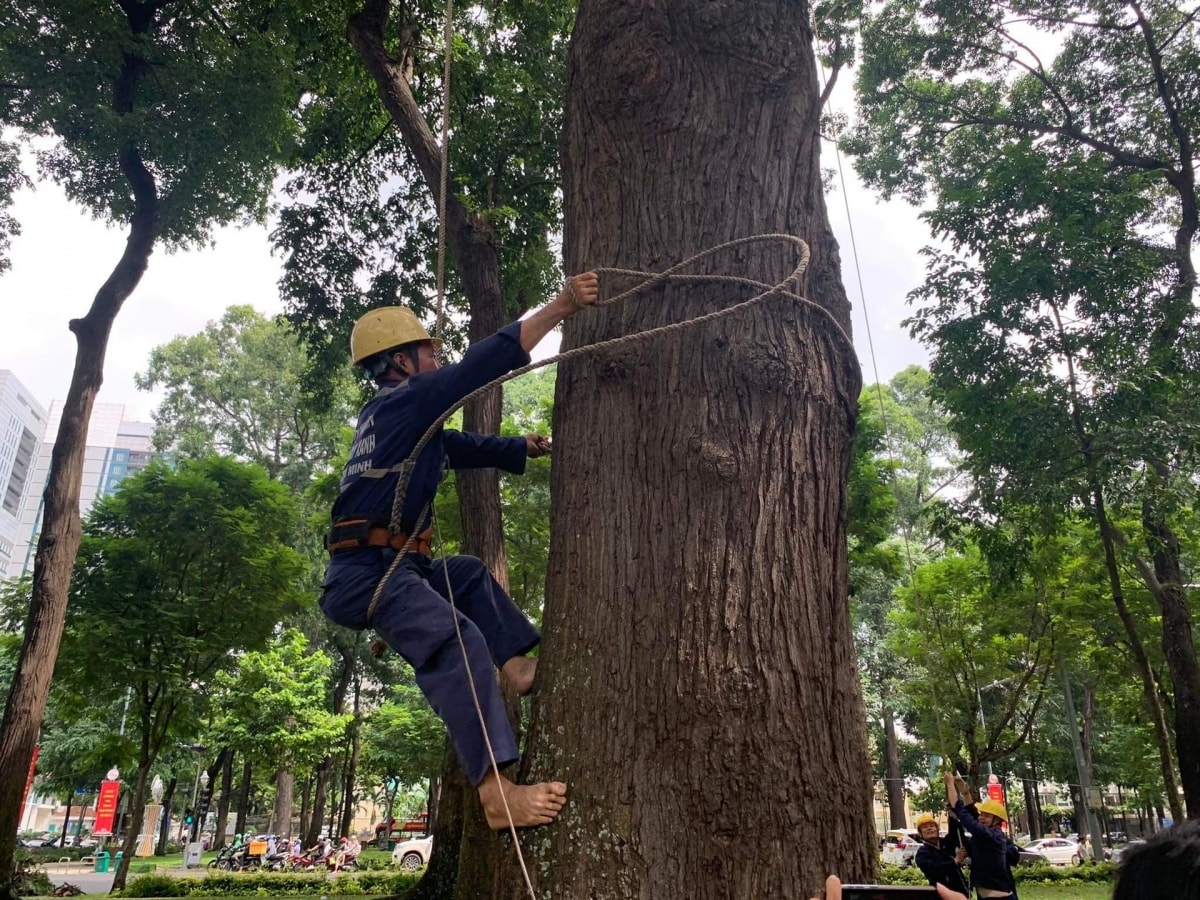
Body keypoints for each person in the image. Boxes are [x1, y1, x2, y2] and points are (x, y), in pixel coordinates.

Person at [320, 272, 600, 830]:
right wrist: (560, 307)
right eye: (428, 350)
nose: (436, 358)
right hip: (370, 573)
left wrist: (518, 448)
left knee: (467, 575)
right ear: (400, 361)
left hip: (395, 567)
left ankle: (518, 664)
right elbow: (482, 364)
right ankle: (495, 794)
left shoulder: (393, 419)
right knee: (456, 638)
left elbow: (459, 447)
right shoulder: (407, 402)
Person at [944, 772, 1017, 900]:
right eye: (981, 814)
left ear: (998, 820)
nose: (981, 818)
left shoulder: (991, 835)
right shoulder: (989, 833)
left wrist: (950, 785)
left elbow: (963, 814)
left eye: (987, 816)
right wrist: (966, 793)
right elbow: (972, 814)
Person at [914, 812, 969, 896]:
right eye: (925, 827)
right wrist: (955, 861)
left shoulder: (946, 844)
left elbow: (955, 832)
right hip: (941, 894)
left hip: (959, 891)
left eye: (932, 826)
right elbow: (935, 869)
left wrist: (952, 814)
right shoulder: (922, 853)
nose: (929, 829)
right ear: (920, 833)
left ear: (937, 829)